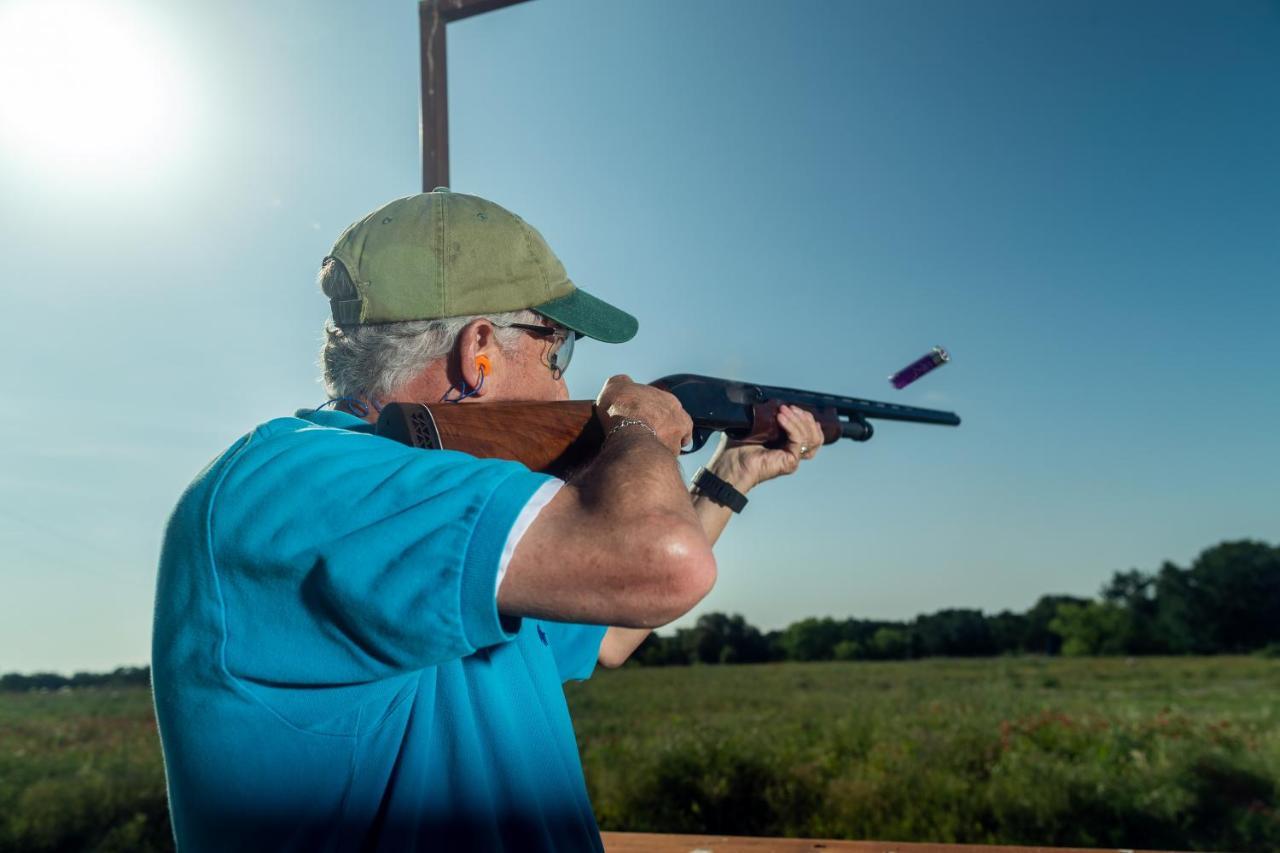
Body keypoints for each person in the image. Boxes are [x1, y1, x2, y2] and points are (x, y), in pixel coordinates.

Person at [152, 189, 826, 852]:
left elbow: (616, 629)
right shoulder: (290, 482)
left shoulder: (452, 512)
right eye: (555, 350)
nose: (566, 388)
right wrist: (638, 424)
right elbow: (663, 562)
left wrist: (730, 476)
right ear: (479, 350)